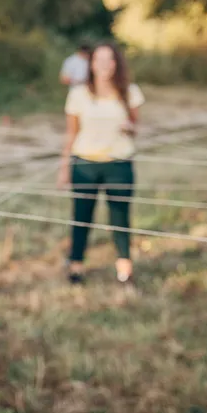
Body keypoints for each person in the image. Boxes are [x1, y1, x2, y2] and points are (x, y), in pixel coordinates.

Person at [58, 41, 145, 285]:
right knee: (81, 216)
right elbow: (71, 133)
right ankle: (76, 264)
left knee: (120, 217)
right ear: (92, 64)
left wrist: (129, 128)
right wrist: (64, 168)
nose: (104, 65)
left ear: (116, 63)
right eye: (99, 60)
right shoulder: (78, 94)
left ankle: (124, 267)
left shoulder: (130, 92)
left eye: (109, 60)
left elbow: (136, 127)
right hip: (85, 164)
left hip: (119, 164)